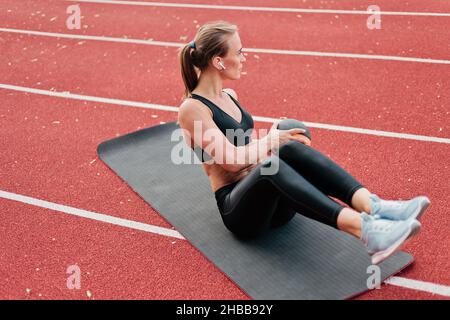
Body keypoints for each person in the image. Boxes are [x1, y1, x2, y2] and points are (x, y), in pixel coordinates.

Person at [177, 21, 430, 265]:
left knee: (285, 148)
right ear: (218, 61)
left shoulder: (229, 95)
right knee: (271, 165)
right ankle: (367, 232)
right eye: (240, 51)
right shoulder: (192, 109)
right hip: (243, 213)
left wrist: (275, 137)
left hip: (276, 204)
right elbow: (231, 162)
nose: (245, 57)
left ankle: (375, 206)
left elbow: (241, 143)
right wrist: (268, 141)